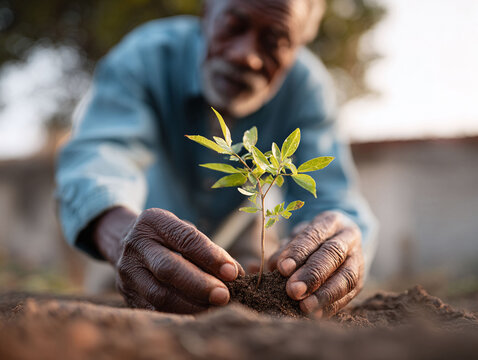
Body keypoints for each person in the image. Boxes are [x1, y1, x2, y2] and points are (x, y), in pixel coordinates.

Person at [56, 0, 377, 317]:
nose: (246, 56)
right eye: (233, 26)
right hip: (137, 245)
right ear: (207, 13)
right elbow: (101, 153)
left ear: (298, 46)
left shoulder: (307, 87)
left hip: (242, 254)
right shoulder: (146, 55)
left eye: (274, 41)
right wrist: (119, 233)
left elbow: (331, 197)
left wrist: (342, 241)